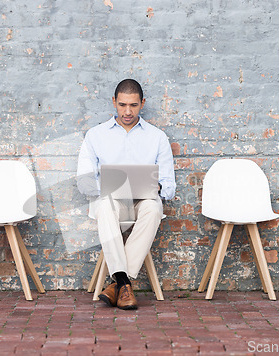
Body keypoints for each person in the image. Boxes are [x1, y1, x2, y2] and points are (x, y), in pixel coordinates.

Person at [77, 79, 176, 310]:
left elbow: (169, 187)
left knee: (153, 208)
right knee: (106, 207)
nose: (127, 111)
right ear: (114, 102)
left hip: (144, 199)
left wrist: (154, 186)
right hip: (111, 200)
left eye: (133, 105)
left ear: (142, 103)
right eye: (122, 105)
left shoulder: (157, 137)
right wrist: (109, 186)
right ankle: (124, 283)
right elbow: (84, 182)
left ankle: (117, 284)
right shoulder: (95, 135)